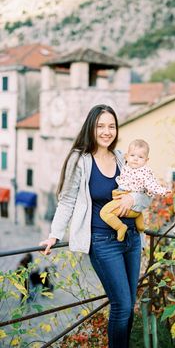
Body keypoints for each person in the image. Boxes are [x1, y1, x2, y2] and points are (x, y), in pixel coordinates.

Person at [39, 104, 151, 348]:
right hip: (102, 243)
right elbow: (67, 200)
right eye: (101, 126)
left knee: (129, 304)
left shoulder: (123, 157)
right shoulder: (79, 160)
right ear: (91, 127)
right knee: (121, 305)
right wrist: (54, 235)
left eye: (111, 126)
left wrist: (134, 199)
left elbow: (145, 191)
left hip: (131, 238)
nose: (106, 131)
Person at [100, 139, 171, 241]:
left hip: (129, 201)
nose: (136, 159)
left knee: (104, 212)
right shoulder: (127, 165)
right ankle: (140, 224)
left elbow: (152, 185)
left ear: (146, 160)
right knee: (137, 216)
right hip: (128, 200)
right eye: (132, 155)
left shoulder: (144, 172)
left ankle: (120, 227)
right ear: (127, 156)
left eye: (140, 157)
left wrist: (163, 191)